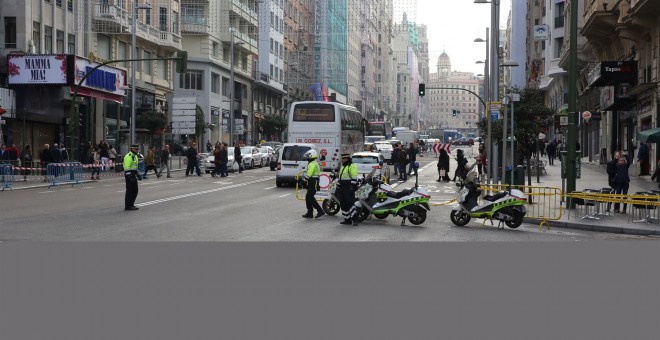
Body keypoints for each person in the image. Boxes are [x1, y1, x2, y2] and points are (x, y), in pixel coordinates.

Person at [301, 150, 325, 219]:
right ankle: (310, 212)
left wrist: (303, 180)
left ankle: (320, 211)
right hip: (313, 182)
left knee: (310, 197)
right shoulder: (314, 163)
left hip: (313, 182)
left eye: (308, 156)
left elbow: (309, 174)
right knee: (308, 197)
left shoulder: (312, 164)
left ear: (311, 156)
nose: (307, 158)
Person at [337, 153, 358, 225]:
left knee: (351, 204)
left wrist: (352, 187)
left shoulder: (352, 166)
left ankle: (355, 220)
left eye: (344, 159)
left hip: (348, 187)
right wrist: (338, 186)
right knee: (343, 204)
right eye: (342, 159)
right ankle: (347, 219)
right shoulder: (343, 166)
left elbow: (354, 177)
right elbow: (340, 177)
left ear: (347, 159)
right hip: (342, 188)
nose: (342, 160)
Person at [123, 145, 142, 211]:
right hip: (129, 175)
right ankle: (128, 206)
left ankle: (131, 204)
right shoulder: (129, 156)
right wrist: (129, 176)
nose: (137, 150)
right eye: (136, 149)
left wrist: (137, 174)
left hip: (133, 174)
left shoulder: (135, 156)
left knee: (135, 190)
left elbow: (134, 167)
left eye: (138, 149)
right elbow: (126, 167)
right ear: (132, 149)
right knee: (130, 191)